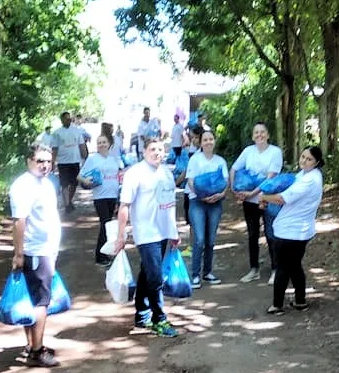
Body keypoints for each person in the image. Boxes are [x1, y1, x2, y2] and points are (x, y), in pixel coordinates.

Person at [114, 137, 180, 338]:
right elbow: (124, 206)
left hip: (163, 232)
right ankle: (159, 319)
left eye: (160, 149)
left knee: (147, 272)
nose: (157, 153)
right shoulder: (135, 173)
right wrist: (121, 235)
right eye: (152, 149)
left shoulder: (167, 173)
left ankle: (142, 315)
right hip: (146, 233)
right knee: (155, 277)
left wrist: (174, 232)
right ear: (144, 152)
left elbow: (170, 205)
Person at [8, 142, 62, 367]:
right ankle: (37, 352)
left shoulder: (46, 183)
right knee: (41, 302)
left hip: (46, 249)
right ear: (29, 161)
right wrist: (19, 254)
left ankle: (33, 345)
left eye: (48, 161)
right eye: (40, 161)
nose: (45, 165)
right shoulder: (23, 186)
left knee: (33, 299)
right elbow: (19, 222)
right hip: (36, 251)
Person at [261, 144, 324, 315]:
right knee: (295, 265)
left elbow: (282, 198)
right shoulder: (306, 174)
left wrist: (263, 197)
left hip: (291, 230)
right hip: (299, 228)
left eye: (309, 159)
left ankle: (277, 305)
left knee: (282, 267)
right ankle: (300, 301)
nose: (304, 161)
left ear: (317, 162)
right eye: (303, 157)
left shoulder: (309, 180)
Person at [229, 122, 283, 284]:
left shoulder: (275, 152)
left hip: (268, 198)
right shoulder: (248, 151)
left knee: (271, 234)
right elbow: (234, 169)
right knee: (252, 235)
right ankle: (254, 269)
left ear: (268, 135)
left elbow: (271, 177)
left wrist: (252, 193)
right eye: (256, 132)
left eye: (262, 132)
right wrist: (234, 188)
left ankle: (276, 269)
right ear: (253, 136)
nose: (259, 135)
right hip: (249, 201)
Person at [185, 128, 228, 287]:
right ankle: (195, 274)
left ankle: (208, 272)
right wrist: (201, 195)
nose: (208, 142)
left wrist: (221, 194)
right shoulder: (195, 160)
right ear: (201, 143)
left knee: (210, 240)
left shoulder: (220, 161)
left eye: (211, 139)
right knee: (199, 239)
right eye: (205, 140)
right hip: (197, 202)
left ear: (214, 141)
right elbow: (190, 181)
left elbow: (225, 181)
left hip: (216, 203)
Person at [79, 129, 121, 265]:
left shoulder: (114, 159)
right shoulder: (92, 159)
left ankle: (105, 254)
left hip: (113, 195)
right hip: (100, 197)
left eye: (104, 142)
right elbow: (80, 176)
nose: (101, 144)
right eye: (99, 143)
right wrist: (87, 181)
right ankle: (100, 256)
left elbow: (118, 176)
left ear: (109, 144)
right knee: (105, 224)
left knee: (108, 225)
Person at [52, 110, 89, 213]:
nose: (68, 120)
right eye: (66, 119)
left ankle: (69, 200)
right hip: (62, 162)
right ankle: (67, 205)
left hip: (75, 161)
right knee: (64, 184)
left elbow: (82, 145)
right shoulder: (57, 133)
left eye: (69, 118)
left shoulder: (77, 131)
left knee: (74, 183)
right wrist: (52, 161)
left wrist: (85, 157)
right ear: (62, 120)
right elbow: (54, 148)